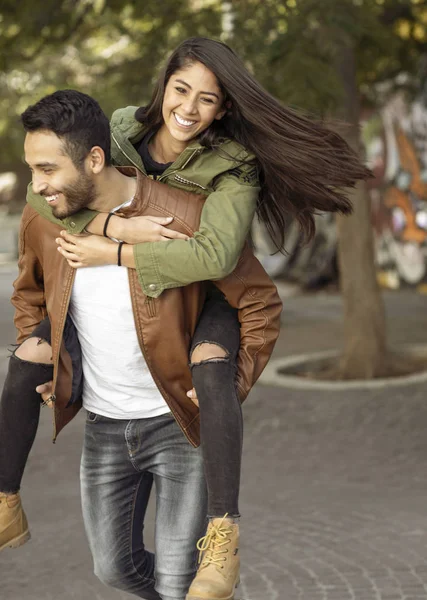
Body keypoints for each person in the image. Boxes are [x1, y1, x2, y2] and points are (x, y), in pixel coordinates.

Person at [2, 35, 369, 599]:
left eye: (208, 99)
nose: (189, 109)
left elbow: (219, 259)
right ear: (162, 86)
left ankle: (225, 531)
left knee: (212, 364)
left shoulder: (232, 164)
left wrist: (122, 252)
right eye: (180, 89)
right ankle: (6, 497)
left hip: (204, 293)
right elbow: (45, 202)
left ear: (223, 108)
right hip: (108, 416)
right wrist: (113, 229)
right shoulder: (120, 131)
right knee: (115, 570)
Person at [1, 87, 281, 600]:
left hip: (177, 425)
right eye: (32, 169)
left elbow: (259, 300)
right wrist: (45, 357)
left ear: (94, 158)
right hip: (105, 427)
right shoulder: (45, 214)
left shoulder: (181, 216)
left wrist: (233, 382)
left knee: (179, 584)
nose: (37, 186)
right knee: (114, 569)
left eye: (47, 169)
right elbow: (30, 293)